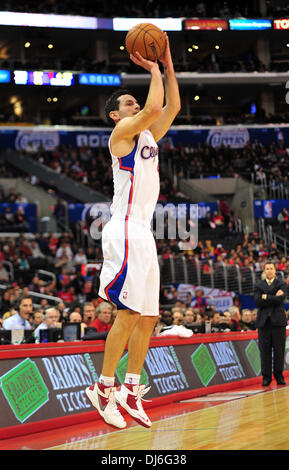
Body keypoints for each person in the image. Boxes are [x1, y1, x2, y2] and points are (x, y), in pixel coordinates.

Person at [85, 34, 180, 429]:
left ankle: (130, 387)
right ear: (115, 115)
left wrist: (169, 61)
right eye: (128, 103)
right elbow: (156, 104)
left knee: (149, 317)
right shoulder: (121, 135)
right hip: (123, 228)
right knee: (127, 314)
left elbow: (170, 105)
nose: (136, 105)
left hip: (143, 230)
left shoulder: (148, 137)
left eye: (134, 102)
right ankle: (103, 388)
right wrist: (153, 68)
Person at [254, 261, 287, 386]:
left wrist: (266, 297)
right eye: (267, 268)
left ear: (275, 270)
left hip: (278, 322)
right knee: (264, 351)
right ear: (264, 271)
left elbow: (281, 299)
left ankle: (279, 376)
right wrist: (273, 297)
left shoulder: (282, 284)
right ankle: (266, 377)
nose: (269, 270)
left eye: (271, 268)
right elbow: (258, 301)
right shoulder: (258, 285)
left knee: (279, 351)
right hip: (264, 323)